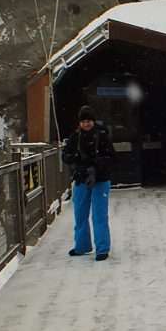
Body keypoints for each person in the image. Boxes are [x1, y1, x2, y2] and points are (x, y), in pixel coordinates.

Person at [62, 105, 115, 261]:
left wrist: (96, 166)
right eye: (83, 121)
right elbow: (65, 155)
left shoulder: (102, 135)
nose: (86, 124)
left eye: (89, 121)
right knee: (80, 214)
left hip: (100, 179)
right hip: (80, 179)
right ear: (79, 123)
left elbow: (112, 157)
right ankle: (82, 246)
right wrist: (75, 161)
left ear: (93, 121)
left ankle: (102, 248)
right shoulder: (75, 137)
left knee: (99, 215)